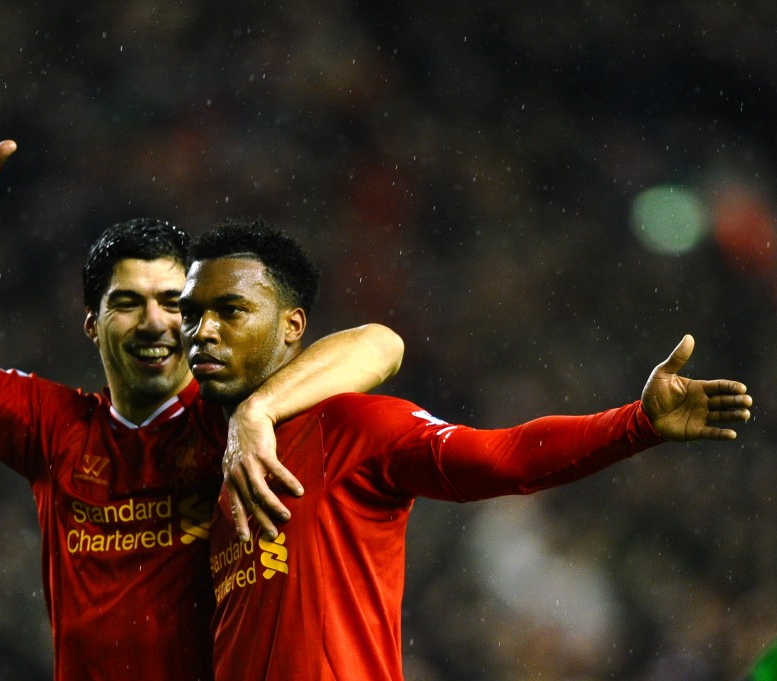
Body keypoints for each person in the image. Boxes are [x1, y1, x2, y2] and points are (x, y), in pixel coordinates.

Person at [0, 82, 404, 681]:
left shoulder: (227, 414)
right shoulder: (52, 426)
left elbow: (380, 343)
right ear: (93, 325)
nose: (154, 322)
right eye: (128, 302)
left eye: (173, 302)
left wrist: (259, 413)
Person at [176, 219, 754, 681]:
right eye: (193, 314)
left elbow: (503, 457)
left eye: (231, 311)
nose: (203, 331)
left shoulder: (346, 427)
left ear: (291, 326)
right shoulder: (210, 462)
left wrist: (637, 422)